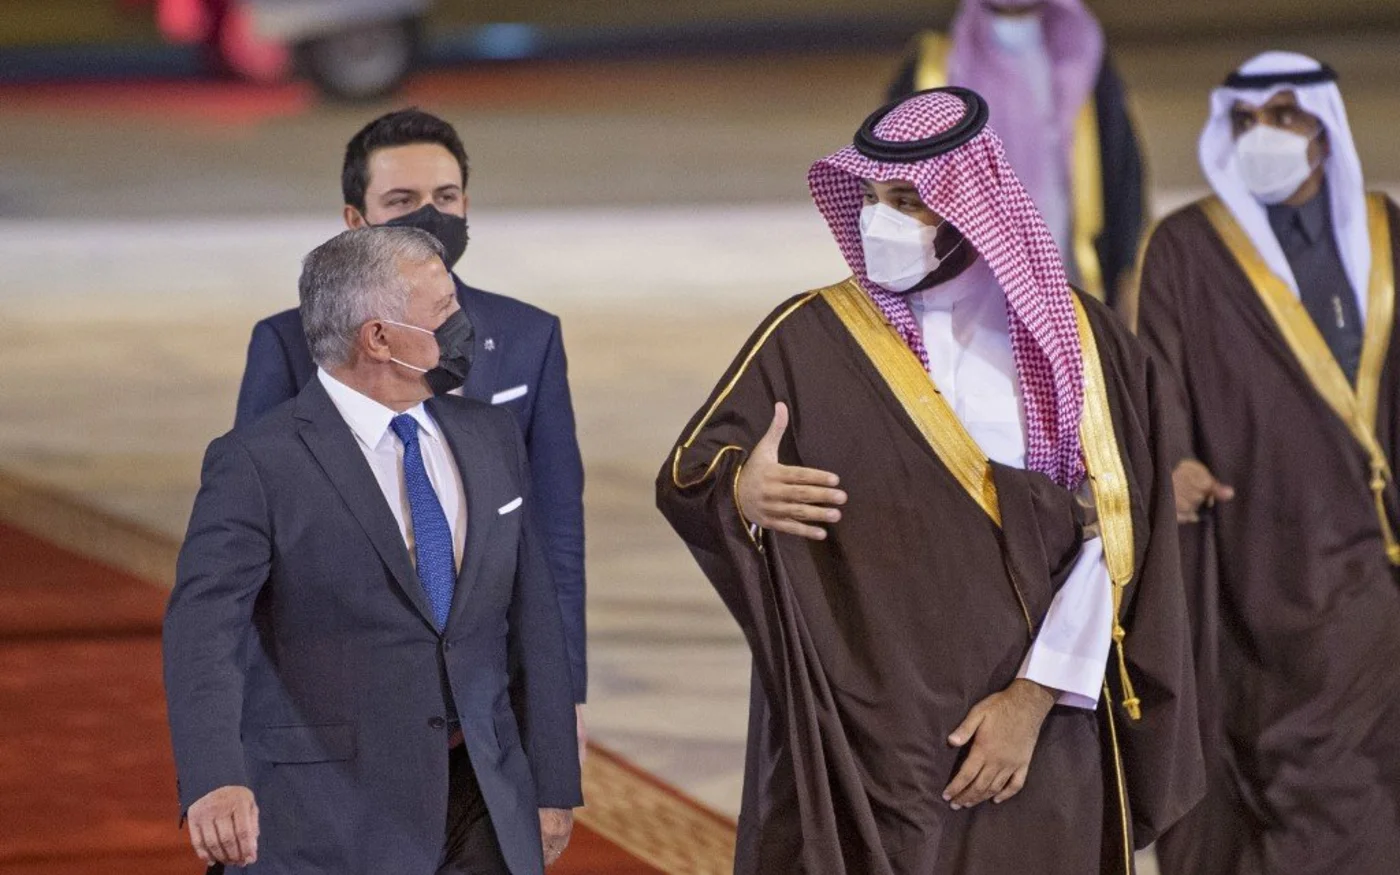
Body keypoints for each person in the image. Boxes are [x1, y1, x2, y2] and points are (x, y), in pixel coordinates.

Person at [656, 87, 1201, 874]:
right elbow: (692, 472)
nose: (881, 220)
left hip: (1035, 739)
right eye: (871, 198)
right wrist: (740, 493)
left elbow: (1113, 539)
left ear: (971, 207)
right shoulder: (808, 339)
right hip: (867, 746)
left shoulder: (1082, 345)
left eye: (908, 201)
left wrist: (1032, 699)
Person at [164, 227, 581, 874]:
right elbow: (203, 628)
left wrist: (552, 779)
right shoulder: (257, 462)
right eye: (443, 309)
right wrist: (214, 776)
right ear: (379, 337)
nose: (465, 324)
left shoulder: (489, 434)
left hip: (484, 798)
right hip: (328, 812)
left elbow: (533, 616)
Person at [234, 109, 588, 747]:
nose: (430, 215)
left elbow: (555, 531)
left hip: (489, 694)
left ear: (466, 205)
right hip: (340, 698)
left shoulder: (530, 337)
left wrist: (566, 691)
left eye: (445, 197)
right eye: (402, 201)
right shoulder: (287, 345)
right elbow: (254, 537)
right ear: (355, 220)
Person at [1134, 52, 1400, 875]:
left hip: (1376, 553)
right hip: (1264, 555)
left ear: (1324, 128)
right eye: (1246, 121)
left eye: (1283, 117)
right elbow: (1158, 387)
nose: (1263, 135)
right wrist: (1173, 462)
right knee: (1301, 760)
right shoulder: (1187, 249)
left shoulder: (1386, 232)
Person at [888, 0, 1144, 306]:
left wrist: (1124, 272)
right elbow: (891, 178)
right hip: (960, 296)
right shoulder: (934, 66)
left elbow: (1122, 179)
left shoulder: (1082, 57)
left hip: (1067, 283)